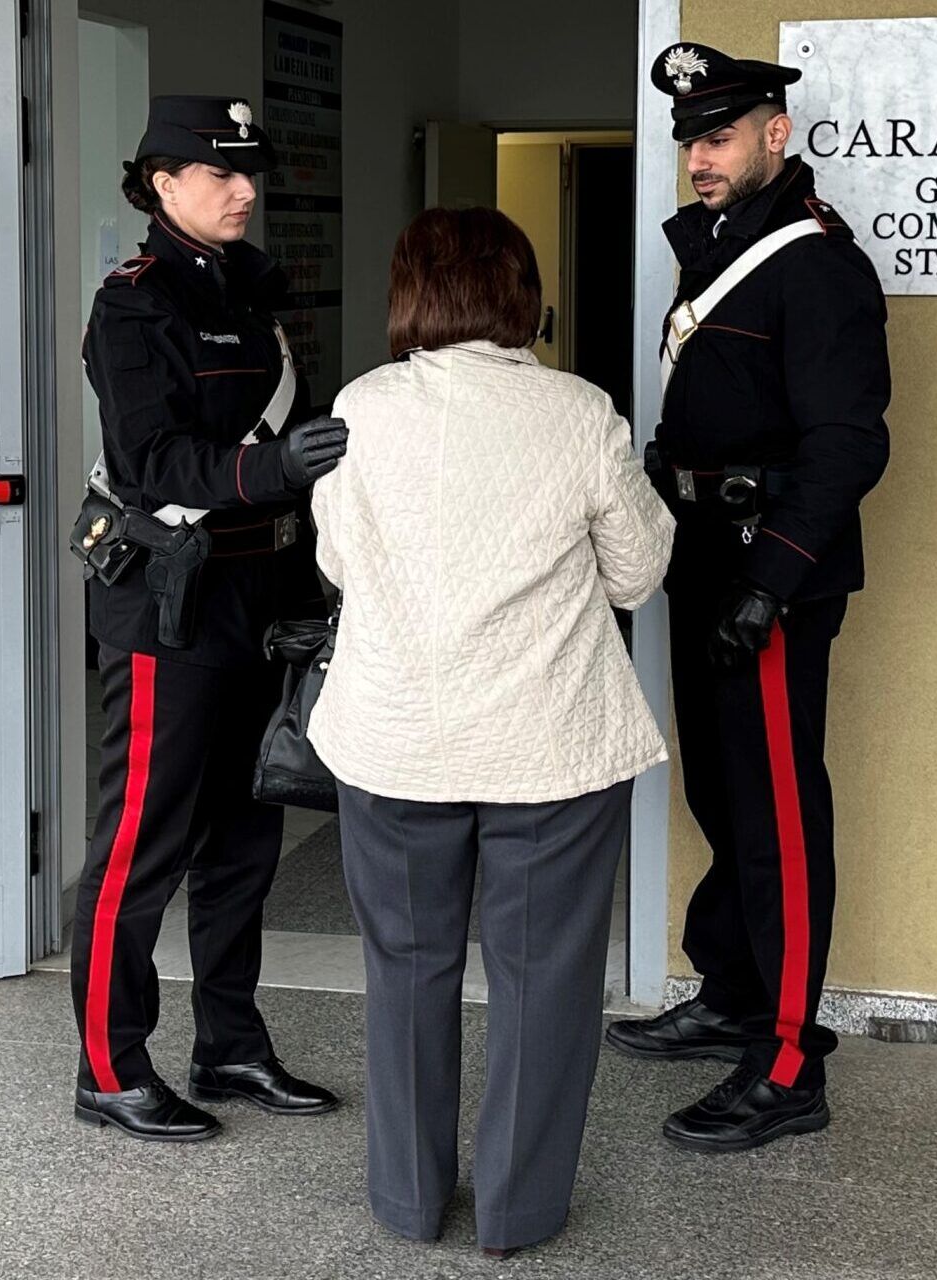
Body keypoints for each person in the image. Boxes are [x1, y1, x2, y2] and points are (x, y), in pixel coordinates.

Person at [311, 207, 675, 1257]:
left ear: (409, 293)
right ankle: (518, 1212)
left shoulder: (362, 407)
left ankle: (407, 1200)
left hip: (396, 741)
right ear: (522, 295)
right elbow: (639, 572)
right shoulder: (578, 412)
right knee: (543, 979)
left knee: (407, 969)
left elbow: (337, 562)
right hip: (548, 742)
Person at [603, 44, 892, 1153]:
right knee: (724, 797)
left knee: (775, 812)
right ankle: (730, 988)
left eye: (717, 135)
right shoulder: (719, 249)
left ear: (777, 132)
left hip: (767, 571)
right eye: (688, 140)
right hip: (703, 558)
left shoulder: (813, 265)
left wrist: (771, 580)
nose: (697, 158)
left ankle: (784, 1059)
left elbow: (847, 443)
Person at [69, 95, 352, 1143]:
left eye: (249, 173)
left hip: (260, 597)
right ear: (160, 184)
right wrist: (268, 466)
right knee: (142, 838)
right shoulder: (133, 306)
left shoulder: (257, 290)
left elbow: (300, 441)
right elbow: (151, 465)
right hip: (169, 603)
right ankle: (109, 1060)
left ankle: (228, 1042)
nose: (241, 190)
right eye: (217, 172)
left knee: (244, 840)